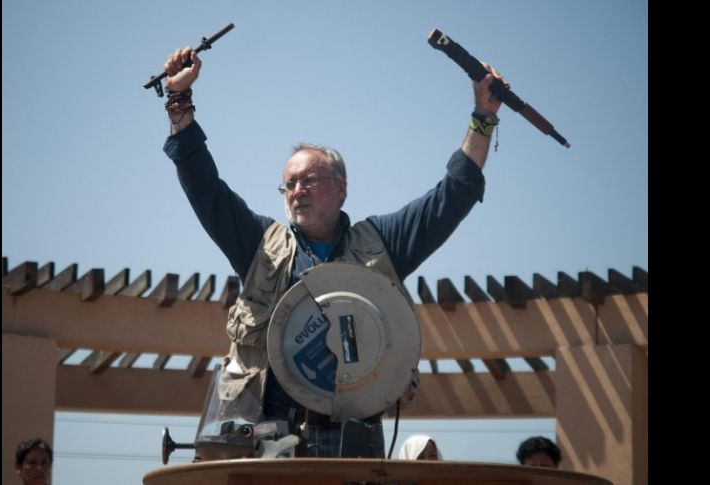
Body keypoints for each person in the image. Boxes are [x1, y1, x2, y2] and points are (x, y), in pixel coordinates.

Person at [162, 45, 506, 458]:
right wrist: (179, 101)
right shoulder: (260, 246)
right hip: (267, 439)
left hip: (353, 438)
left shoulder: (382, 243)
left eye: (309, 180)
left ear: (341, 188)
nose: (296, 192)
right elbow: (205, 189)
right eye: (288, 184)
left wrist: (483, 117)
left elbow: (451, 197)